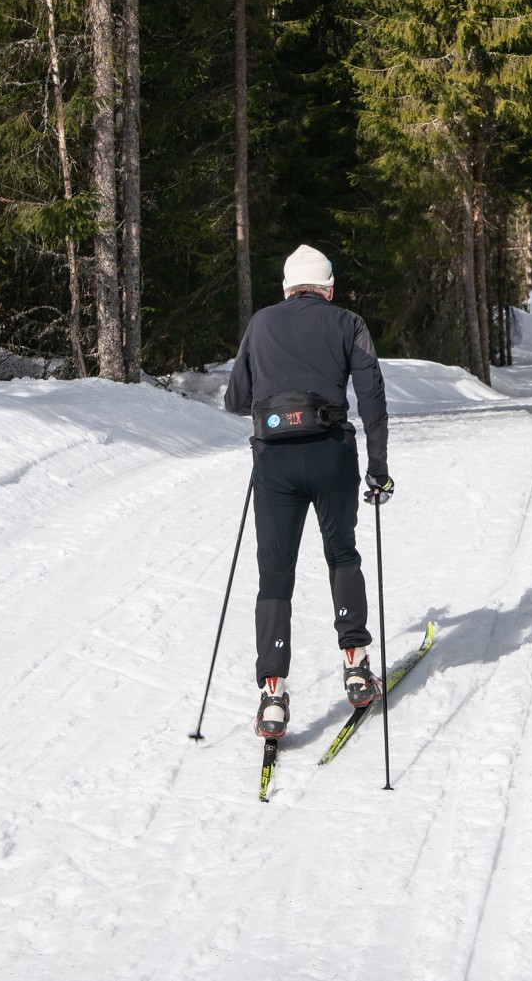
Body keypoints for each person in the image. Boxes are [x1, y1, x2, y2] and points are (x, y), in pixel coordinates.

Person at [225, 245, 394, 740]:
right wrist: (378, 469)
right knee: (341, 553)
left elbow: (236, 399)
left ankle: (272, 696)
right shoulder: (349, 323)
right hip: (331, 454)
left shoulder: (260, 323)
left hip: (274, 462)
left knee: (275, 573)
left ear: (286, 288)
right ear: (329, 288)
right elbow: (372, 397)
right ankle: (356, 666)